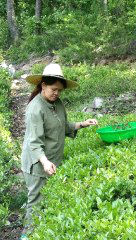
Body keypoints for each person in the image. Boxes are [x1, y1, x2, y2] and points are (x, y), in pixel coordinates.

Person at [20, 63, 98, 239]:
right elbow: (34, 142)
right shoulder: (36, 108)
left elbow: (62, 126)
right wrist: (45, 162)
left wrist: (83, 124)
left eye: (59, 90)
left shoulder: (57, 103)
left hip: (51, 162)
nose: (56, 93)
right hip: (37, 165)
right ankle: (27, 236)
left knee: (49, 200)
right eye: (53, 89)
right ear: (43, 85)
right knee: (36, 203)